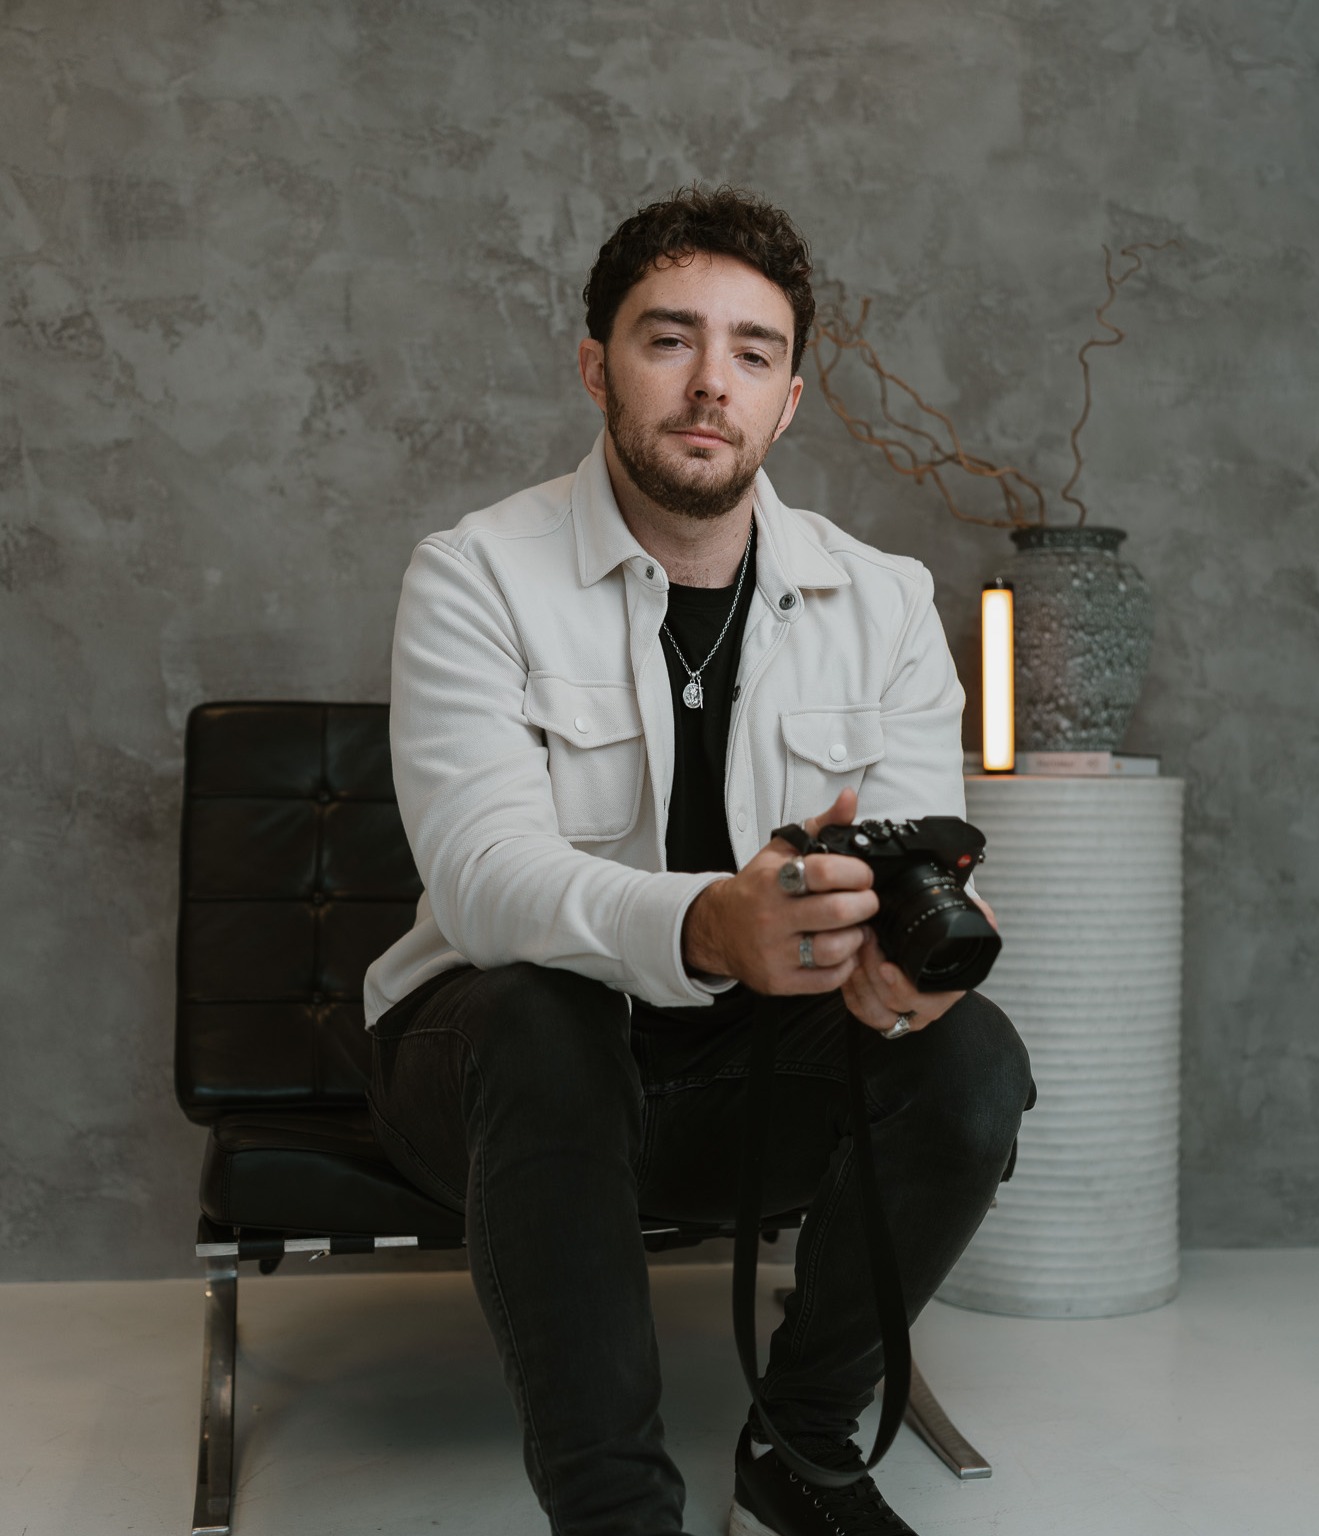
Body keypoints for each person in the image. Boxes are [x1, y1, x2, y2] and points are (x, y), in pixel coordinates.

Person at [362, 184, 1034, 1536]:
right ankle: (616, 1515)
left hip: (749, 1075)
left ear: (789, 401)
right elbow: (483, 876)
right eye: (669, 340)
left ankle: (802, 1446)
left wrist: (899, 960)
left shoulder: (886, 600)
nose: (711, 382)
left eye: (753, 352)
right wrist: (708, 926)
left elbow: (919, 850)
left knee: (971, 1057)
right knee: (544, 1014)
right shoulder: (474, 574)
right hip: (491, 1080)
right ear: (595, 365)